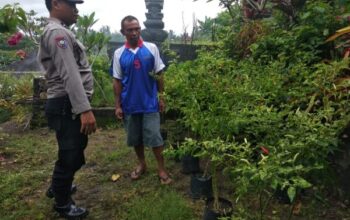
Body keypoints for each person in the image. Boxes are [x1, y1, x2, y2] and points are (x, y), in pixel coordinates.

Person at [38, 0, 96, 218]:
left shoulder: (59, 31)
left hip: (64, 103)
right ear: (56, 4)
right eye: (71, 3)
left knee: (72, 149)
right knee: (71, 154)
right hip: (66, 104)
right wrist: (84, 109)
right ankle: (63, 203)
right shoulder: (57, 33)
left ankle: (58, 186)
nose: (76, 9)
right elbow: (69, 74)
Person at [112, 15, 172, 185]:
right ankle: (142, 164)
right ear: (123, 32)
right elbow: (116, 80)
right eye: (130, 30)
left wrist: (162, 97)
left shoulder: (151, 48)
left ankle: (161, 169)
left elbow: (159, 74)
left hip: (150, 103)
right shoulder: (119, 54)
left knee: (155, 137)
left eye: (136, 28)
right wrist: (117, 105)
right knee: (135, 138)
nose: (134, 32)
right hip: (129, 104)